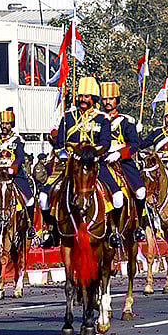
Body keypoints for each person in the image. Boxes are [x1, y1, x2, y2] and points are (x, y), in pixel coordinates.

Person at [40, 76, 123, 249]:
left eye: (87, 96)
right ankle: (52, 232)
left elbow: (106, 143)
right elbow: (60, 144)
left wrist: (92, 154)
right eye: (81, 96)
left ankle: (114, 232)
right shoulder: (68, 118)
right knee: (43, 197)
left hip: (95, 164)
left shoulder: (102, 119)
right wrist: (62, 154)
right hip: (71, 165)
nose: (83, 99)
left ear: (94, 98)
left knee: (117, 197)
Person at [0, 108, 36, 240]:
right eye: (3, 123)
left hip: (13, 173)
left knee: (30, 199)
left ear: (12, 125)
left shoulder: (17, 140)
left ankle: (30, 226)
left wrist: (13, 167)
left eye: (7, 123)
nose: (5, 126)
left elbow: (20, 156)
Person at [100, 81, 146, 242]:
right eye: (104, 99)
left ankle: (139, 225)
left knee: (141, 192)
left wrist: (119, 154)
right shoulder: (97, 119)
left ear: (117, 100)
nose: (107, 102)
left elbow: (135, 144)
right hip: (101, 160)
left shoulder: (126, 121)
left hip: (123, 161)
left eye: (111, 99)